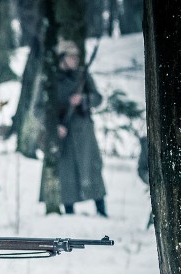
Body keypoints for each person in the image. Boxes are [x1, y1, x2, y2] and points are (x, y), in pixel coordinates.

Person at [45, 40, 107, 217]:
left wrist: (83, 100)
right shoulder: (52, 80)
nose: (75, 61)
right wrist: (54, 127)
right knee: (67, 173)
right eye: (71, 57)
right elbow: (42, 108)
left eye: (76, 57)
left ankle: (101, 209)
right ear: (62, 58)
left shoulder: (83, 76)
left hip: (84, 131)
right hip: (64, 134)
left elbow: (98, 98)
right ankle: (69, 211)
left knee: (93, 169)